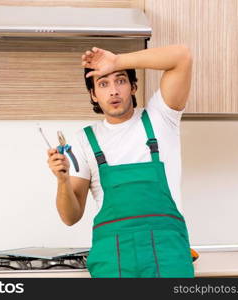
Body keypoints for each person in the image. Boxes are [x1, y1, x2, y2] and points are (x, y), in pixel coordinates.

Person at [47, 44, 194, 278]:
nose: (113, 91)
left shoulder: (161, 118)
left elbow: (182, 56)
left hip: (168, 258)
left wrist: (117, 62)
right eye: (103, 84)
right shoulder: (85, 140)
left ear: (134, 86)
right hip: (114, 263)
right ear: (94, 95)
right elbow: (70, 216)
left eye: (121, 80)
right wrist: (62, 180)